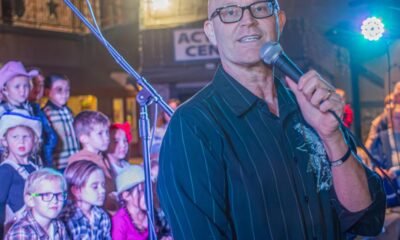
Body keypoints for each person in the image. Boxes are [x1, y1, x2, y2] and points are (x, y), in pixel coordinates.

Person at [157, 0, 386, 239]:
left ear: (280, 21)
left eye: (260, 8)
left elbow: (368, 220)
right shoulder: (192, 126)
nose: (247, 20)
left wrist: (333, 136)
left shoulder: (309, 103)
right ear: (211, 32)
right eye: (230, 12)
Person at [0, 61, 57, 167]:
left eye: (25, 86)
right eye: (17, 87)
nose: (22, 91)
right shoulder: (2, 110)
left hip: (32, 159)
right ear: (5, 90)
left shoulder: (31, 108)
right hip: (9, 162)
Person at [0, 110, 42, 237]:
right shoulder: (6, 170)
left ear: (34, 140)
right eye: (15, 137)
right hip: (16, 231)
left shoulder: (36, 168)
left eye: (26, 137)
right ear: (5, 142)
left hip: (38, 229)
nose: (21, 142)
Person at [67, 110, 117, 212]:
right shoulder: (80, 161)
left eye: (107, 132)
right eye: (100, 133)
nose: (107, 138)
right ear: (84, 138)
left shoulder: (102, 157)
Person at [5, 168, 68, 240]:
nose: (54, 200)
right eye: (46, 195)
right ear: (30, 200)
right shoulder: (22, 232)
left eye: (59, 194)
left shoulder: (59, 226)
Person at [112, 165, 172, 240]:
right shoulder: (120, 221)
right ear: (126, 195)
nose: (149, 195)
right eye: (142, 191)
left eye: (149, 190)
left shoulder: (152, 212)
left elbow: (166, 230)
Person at [60, 160, 111, 239]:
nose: (102, 190)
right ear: (76, 190)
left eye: (103, 185)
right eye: (95, 187)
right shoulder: (65, 219)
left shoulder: (102, 216)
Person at [43, 74, 80, 172]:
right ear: (47, 92)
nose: (64, 93)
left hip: (75, 162)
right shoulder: (46, 113)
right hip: (59, 165)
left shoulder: (69, 112)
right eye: (59, 90)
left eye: (67, 90)